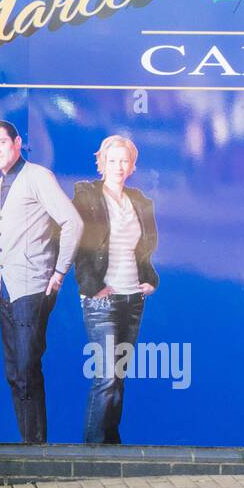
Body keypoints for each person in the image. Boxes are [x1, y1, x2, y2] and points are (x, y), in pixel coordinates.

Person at [0, 120, 83, 443]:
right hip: (6, 291)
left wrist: (58, 272)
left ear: (17, 143)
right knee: (15, 373)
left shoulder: (36, 176)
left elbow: (73, 222)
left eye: (1, 143)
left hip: (31, 289)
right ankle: (30, 444)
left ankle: (36, 449)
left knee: (26, 370)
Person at [71, 135, 159, 444]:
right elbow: (78, 245)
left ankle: (111, 447)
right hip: (101, 301)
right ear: (101, 163)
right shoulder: (87, 198)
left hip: (132, 298)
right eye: (112, 160)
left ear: (132, 166)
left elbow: (144, 248)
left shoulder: (139, 201)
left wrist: (150, 279)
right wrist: (93, 287)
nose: (118, 167)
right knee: (105, 376)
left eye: (125, 161)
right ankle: (92, 452)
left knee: (118, 378)